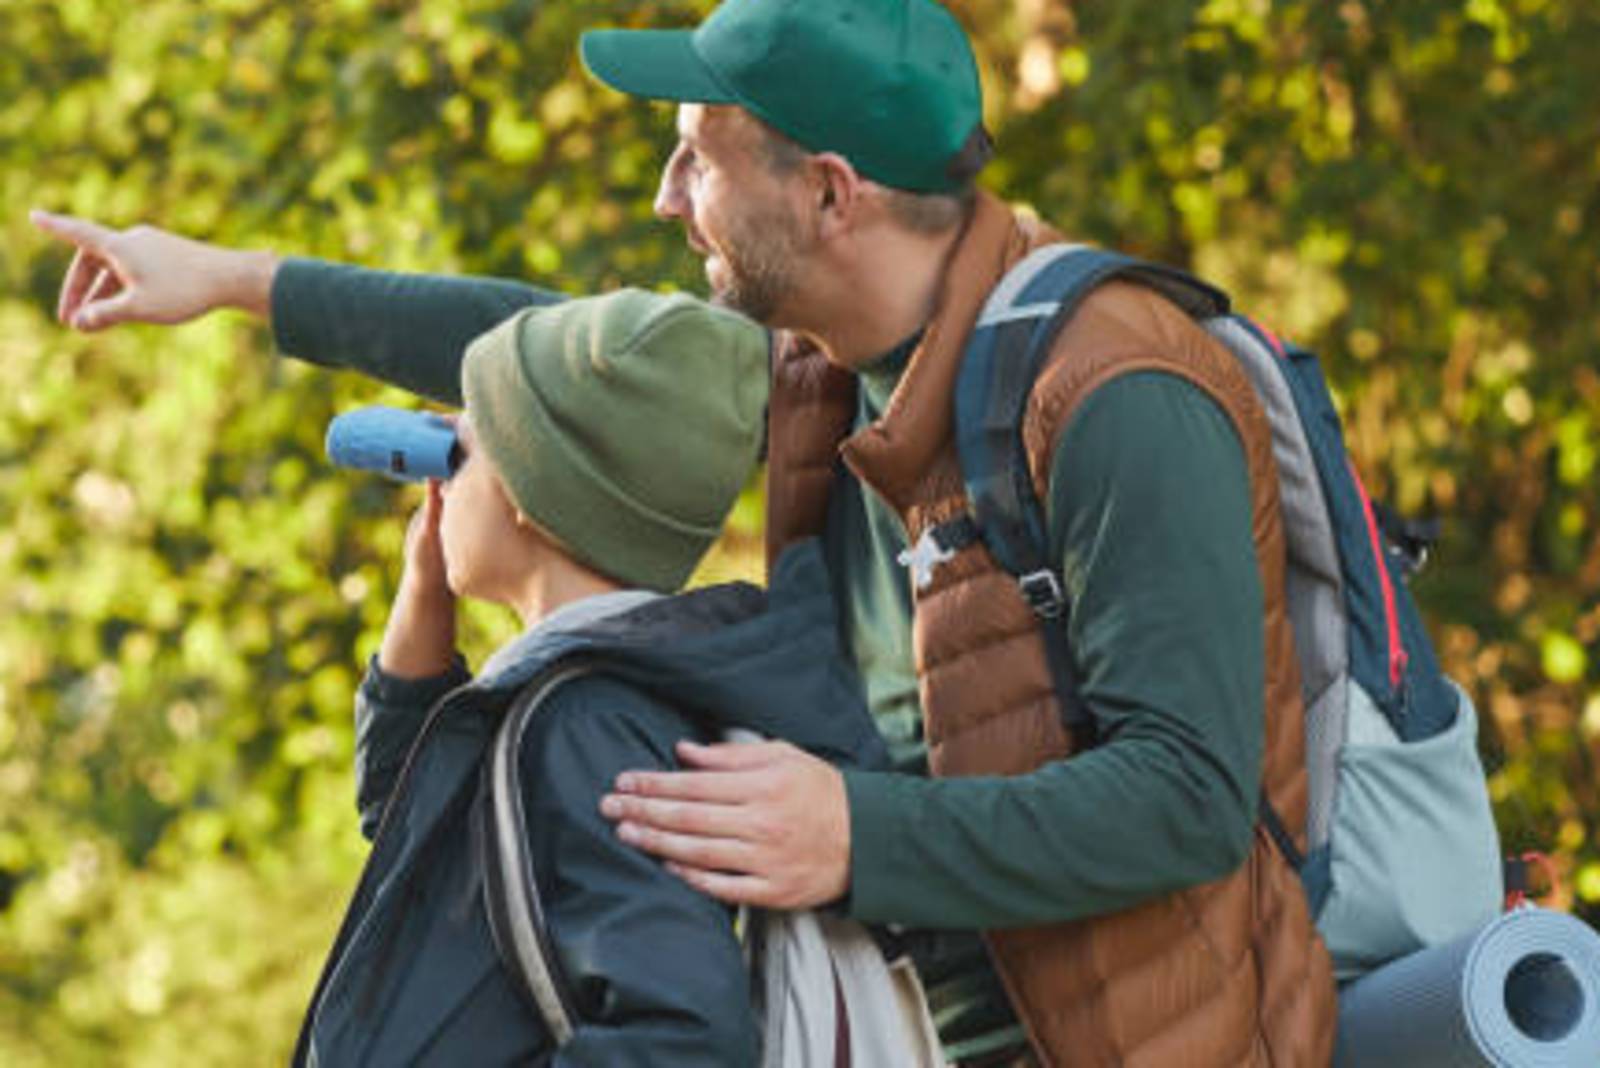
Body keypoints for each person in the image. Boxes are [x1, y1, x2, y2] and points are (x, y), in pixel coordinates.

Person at [33, 0, 1339, 1062]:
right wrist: (234, 283)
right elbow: (561, 368)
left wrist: (853, 833)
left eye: (696, 157)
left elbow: (1193, 799)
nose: (667, 197)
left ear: (830, 195)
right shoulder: (820, 368)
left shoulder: (1114, 391)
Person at [281, 290, 887, 1064]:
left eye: (462, 452)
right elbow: (413, 820)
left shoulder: (590, 721)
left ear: (529, 497)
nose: (438, 485)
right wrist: (422, 590)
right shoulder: (588, 696)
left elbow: (681, 1039)